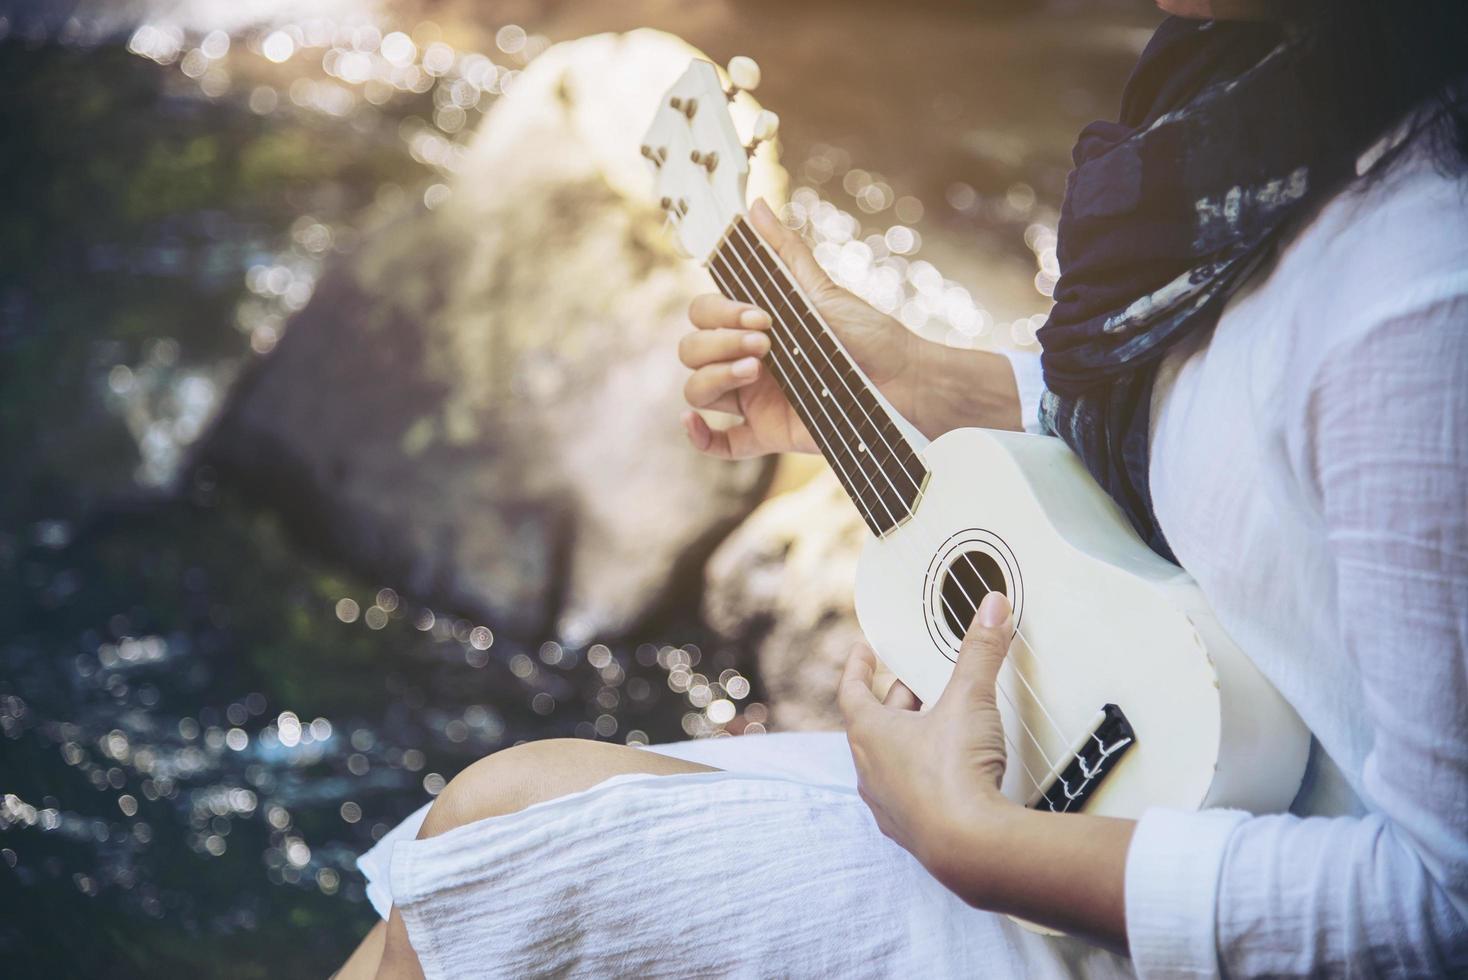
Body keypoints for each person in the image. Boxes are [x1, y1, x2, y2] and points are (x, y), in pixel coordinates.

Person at [339, 1, 1468, 976]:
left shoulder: (1418, 293)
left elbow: (1442, 916)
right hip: (1142, 767)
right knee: (443, 873)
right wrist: (920, 377)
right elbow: (1238, 456)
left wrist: (973, 841)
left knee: (500, 833)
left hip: (1182, 889)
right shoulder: (1269, 98)